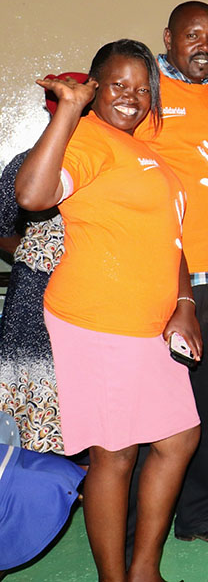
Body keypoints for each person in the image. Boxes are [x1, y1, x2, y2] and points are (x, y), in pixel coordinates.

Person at [16, 39, 201, 581]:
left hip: (151, 327)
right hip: (99, 321)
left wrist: (185, 302)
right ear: (95, 88)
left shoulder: (145, 152)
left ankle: (144, 569)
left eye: (142, 89)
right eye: (118, 85)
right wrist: (69, 110)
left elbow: (171, 242)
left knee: (178, 437)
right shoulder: (88, 138)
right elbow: (32, 195)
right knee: (115, 453)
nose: (132, 97)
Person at [134, 0, 208, 544]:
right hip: (163, 280)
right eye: (193, 34)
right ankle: (132, 530)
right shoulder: (146, 91)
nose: (205, 45)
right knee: (151, 413)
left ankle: (195, 515)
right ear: (168, 38)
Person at [0, 72, 88, 454]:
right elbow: (2, 226)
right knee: (33, 391)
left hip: (93, 294)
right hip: (35, 294)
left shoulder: (108, 160)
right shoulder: (26, 163)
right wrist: (39, 252)